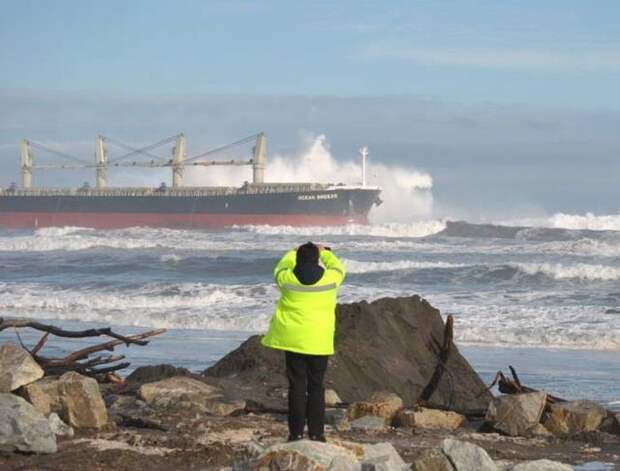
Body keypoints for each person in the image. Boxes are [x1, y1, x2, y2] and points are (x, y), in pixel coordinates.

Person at [261, 241, 346, 442]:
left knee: (296, 386)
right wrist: (324, 252)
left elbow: (279, 268)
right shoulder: (330, 279)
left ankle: (296, 433)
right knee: (316, 387)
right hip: (318, 341)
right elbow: (339, 267)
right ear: (317, 259)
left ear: (298, 258)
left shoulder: (287, 279)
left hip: (293, 340)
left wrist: (292, 252)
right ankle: (317, 433)